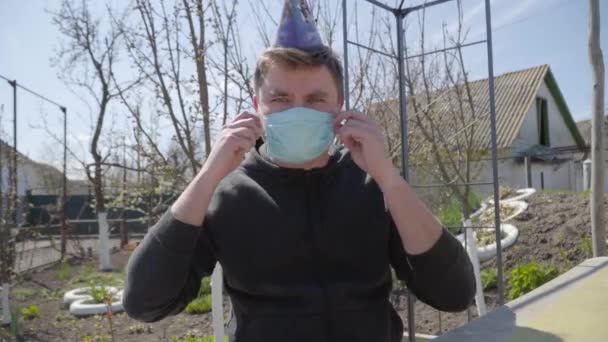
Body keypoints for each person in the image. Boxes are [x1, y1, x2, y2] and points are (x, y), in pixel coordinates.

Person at [123, 1, 475, 341]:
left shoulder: (372, 186)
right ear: (257, 106)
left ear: (339, 106)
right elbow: (145, 302)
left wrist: (389, 178)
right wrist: (208, 175)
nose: (297, 112)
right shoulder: (227, 194)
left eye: (315, 100)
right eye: (280, 99)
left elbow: (454, 293)